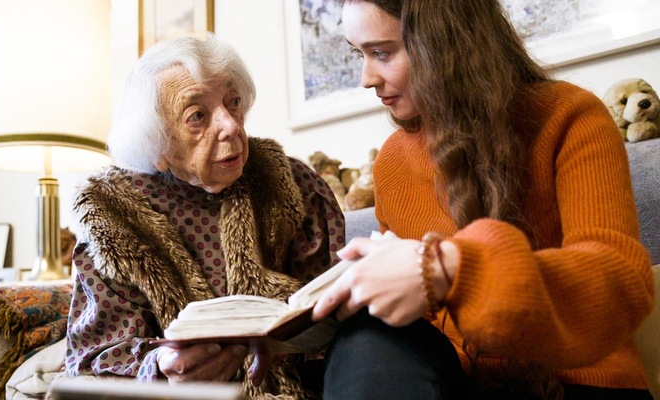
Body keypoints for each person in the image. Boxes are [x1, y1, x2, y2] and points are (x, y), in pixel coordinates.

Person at [311, 1, 655, 399]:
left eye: (382, 53)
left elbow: (618, 284)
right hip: (460, 382)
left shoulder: (569, 116)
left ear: (445, 42)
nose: (366, 79)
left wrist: (452, 268)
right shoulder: (391, 162)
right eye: (359, 54)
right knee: (365, 337)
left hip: (583, 382)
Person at [66, 35, 345, 399]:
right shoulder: (112, 217)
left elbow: (336, 313)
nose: (231, 126)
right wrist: (161, 369)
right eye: (197, 116)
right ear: (156, 142)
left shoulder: (292, 184)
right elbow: (91, 358)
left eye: (233, 102)